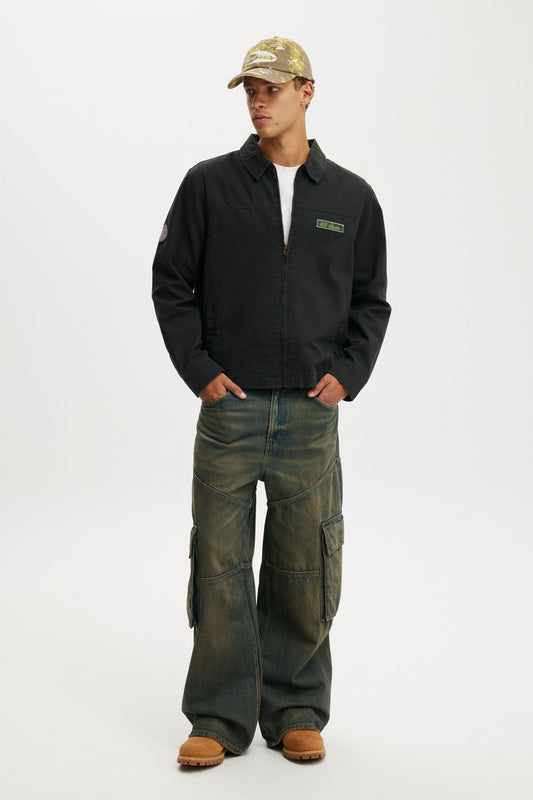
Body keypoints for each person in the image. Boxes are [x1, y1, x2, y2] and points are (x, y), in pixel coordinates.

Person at [151, 35, 391, 767]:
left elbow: (370, 300)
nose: (258, 102)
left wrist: (348, 373)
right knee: (220, 564)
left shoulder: (349, 197)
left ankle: (295, 709)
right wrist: (200, 370)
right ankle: (218, 716)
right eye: (250, 91)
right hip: (231, 409)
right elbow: (171, 283)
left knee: (303, 564)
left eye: (272, 90)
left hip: (311, 416)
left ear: (306, 92)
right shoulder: (208, 185)